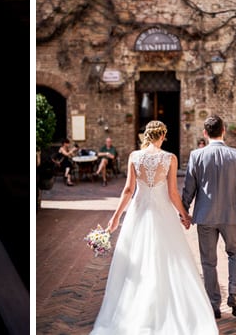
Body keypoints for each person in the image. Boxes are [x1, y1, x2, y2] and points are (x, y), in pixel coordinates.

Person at [90, 121, 218, 334]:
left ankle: (132, 311)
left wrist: (115, 217)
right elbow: (172, 193)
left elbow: (128, 190)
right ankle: (165, 309)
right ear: (162, 136)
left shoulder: (134, 157)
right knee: (168, 260)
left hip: (138, 214)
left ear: (146, 136)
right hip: (162, 214)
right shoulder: (169, 158)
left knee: (136, 262)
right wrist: (184, 215)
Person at [183, 115, 236, 320]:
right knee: (235, 253)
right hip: (230, 216)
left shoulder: (196, 156)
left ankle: (213, 304)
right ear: (224, 130)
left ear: (205, 133)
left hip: (204, 216)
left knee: (208, 262)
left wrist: (184, 212)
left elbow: (188, 188)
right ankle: (233, 294)